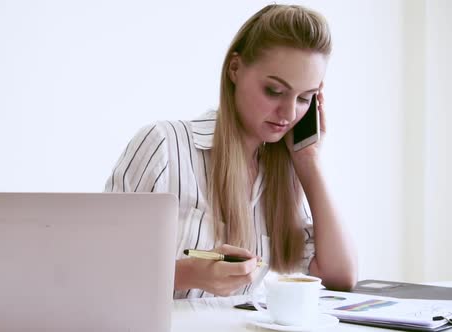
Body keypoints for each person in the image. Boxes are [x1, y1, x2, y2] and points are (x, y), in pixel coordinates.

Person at [105, 4, 357, 299]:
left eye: (305, 98)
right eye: (274, 91)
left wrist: (309, 161)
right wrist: (187, 274)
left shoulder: (280, 177)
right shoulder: (165, 146)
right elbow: (100, 267)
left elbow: (340, 277)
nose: (288, 113)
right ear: (235, 69)